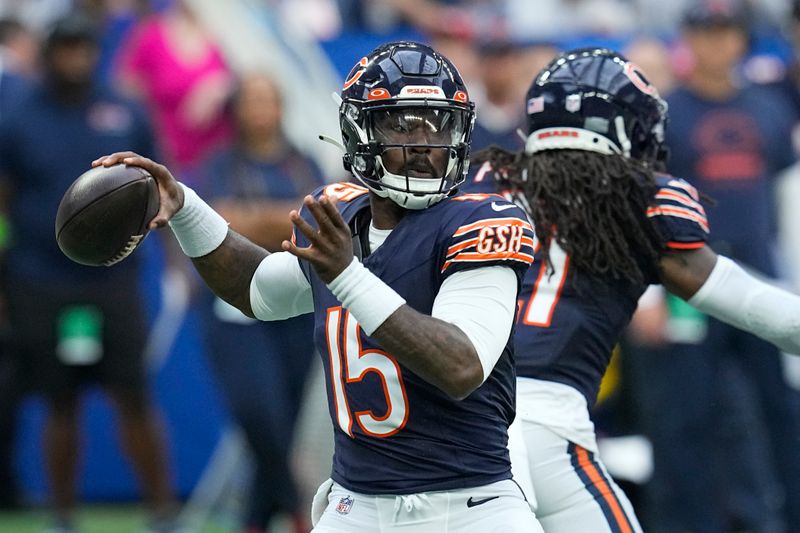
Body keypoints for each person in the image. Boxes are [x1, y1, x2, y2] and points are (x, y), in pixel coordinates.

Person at [95, 40, 544, 533]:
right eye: (402, 124)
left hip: (468, 506)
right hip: (357, 507)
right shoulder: (341, 215)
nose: (423, 144)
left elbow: (461, 364)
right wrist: (184, 207)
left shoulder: (479, 221)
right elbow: (258, 290)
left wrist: (346, 275)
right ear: (358, 131)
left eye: (438, 125)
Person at [470, 47, 800, 533]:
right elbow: (756, 307)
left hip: (444, 423)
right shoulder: (640, 202)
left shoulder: (477, 187)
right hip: (546, 424)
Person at [0, 13, 181, 533]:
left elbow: (162, 189)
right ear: (51, 53)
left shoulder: (123, 111)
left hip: (113, 281)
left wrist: (173, 266)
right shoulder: (18, 118)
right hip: (43, 281)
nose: (77, 58)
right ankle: (62, 514)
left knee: (134, 395)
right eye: (67, 48)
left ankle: (162, 510)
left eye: (85, 48)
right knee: (61, 401)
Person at [198, 72, 324, 533]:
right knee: (260, 414)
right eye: (249, 101)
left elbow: (318, 223)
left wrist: (252, 220)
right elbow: (216, 226)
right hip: (235, 308)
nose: (258, 111)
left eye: (266, 100)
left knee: (285, 421)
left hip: (295, 305)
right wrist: (282, 217)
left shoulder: (302, 161)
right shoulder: (218, 164)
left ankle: (254, 520)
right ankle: (299, 510)